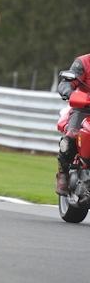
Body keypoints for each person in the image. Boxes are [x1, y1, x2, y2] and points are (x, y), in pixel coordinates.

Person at [56, 53, 90, 195]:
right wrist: (69, 93)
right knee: (70, 138)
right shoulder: (83, 62)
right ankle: (63, 174)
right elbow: (66, 82)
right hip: (84, 108)